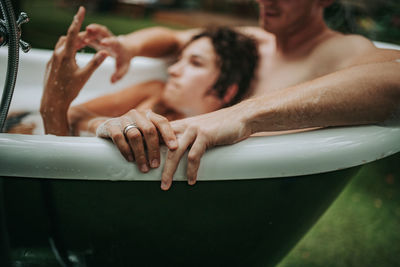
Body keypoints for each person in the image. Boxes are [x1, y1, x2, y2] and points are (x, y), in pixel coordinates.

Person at [83, 0, 400, 190]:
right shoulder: (256, 42)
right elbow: (173, 39)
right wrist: (131, 46)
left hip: (267, 189)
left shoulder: (337, 50)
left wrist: (243, 114)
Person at [38, 7, 259, 173]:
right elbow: (74, 114)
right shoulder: (155, 92)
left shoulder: (215, 139)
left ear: (227, 92)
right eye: (179, 59)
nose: (173, 69)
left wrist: (55, 106)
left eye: (195, 63)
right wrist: (105, 126)